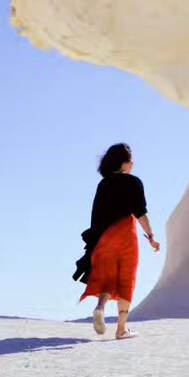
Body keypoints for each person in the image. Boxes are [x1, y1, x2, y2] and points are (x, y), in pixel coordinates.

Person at [74, 143, 160, 339]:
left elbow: (95, 216)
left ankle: (100, 308)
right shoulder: (133, 182)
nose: (133, 165)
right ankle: (121, 328)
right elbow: (140, 214)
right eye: (131, 161)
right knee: (126, 278)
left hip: (104, 236)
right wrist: (151, 237)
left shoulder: (103, 185)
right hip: (125, 234)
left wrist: (92, 244)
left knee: (107, 277)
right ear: (124, 163)